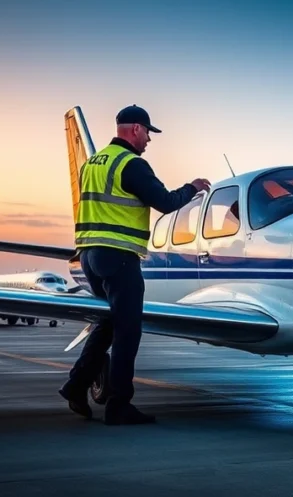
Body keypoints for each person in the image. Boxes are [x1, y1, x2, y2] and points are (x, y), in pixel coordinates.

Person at [58, 104, 211, 425]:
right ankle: (118, 406)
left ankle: (76, 386)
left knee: (109, 322)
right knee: (128, 331)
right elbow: (166, 202)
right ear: (136, 129)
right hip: (119, 257)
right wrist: (193, 188)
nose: (149, 140)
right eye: (148, 133)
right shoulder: (131, 164)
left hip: (89, 256)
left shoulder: (94, 163)